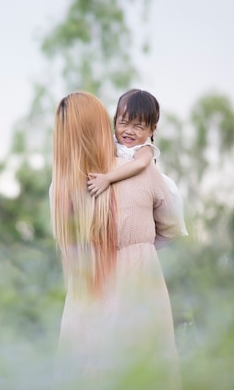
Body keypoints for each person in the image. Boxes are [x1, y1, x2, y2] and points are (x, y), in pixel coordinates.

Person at [50, 91, 187, 389]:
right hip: (139, 287)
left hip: (84, 294)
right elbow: (172, 228)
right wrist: (141, 251)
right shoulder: (145, 173)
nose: (128, 130)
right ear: (105, 124)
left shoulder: (59, 185)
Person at [86, 90, 185, 233]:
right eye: (123, 123)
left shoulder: (143, 149)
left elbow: (140, 164)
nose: (129, 131)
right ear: (115, 121)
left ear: (152, 129)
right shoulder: (111, 142)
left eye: (138, 127)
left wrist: (107, 178)